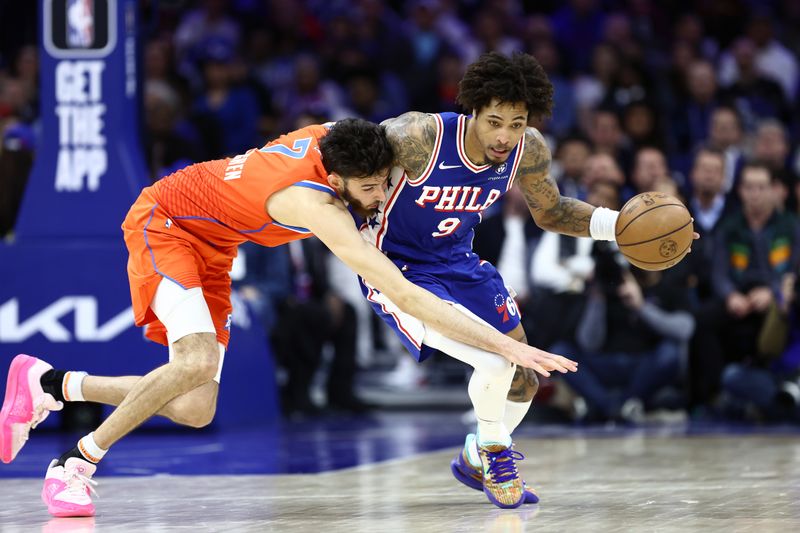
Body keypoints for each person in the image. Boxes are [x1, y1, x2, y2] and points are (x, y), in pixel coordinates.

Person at [0, 118, 577, 517]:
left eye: (384, 184)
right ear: (336, 180)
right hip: (166, 224)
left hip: (216, 243)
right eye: (370, 189)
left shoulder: (348, 143)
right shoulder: (314, 205)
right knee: (195, 359)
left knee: (196, 408)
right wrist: (507, 347)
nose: (380, 198)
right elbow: (401, 292)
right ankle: (75, 463)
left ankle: (48, 384)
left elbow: (406, 134)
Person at [360, 52, 648, 509]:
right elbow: (343, 167)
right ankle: (496, 453)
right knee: (496, 361)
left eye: (516, 123)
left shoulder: (528, 150)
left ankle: (476, 453)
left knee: (525, 379)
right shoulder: (416, 137)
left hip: (458, 260)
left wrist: (618, 225)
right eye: (495, 121)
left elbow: (551, 211)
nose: (505, 136)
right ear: (471, 110)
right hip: (397, 270)